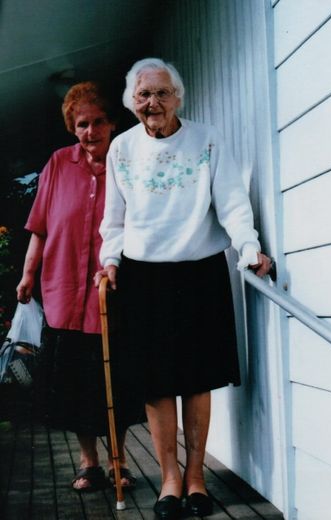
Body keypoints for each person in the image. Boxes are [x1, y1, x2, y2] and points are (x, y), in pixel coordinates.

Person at [97, 58, 271, 519]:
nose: (152, 103)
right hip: (142, 274)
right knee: (156, 385)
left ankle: (196, 478)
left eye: (161, 93)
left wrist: (249, 249)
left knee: (196, 380)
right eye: (143, 95)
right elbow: (113, 219)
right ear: (131, 102)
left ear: (178, 96)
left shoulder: (206, 139)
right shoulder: (121, 148)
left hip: (198, 270)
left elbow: (232, 202)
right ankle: (169, 479)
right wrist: (110, 261)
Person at [16, 81, 139, 492]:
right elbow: (40, 227)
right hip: (64, 293)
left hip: (113, 293)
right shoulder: (57, 164)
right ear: (72, 128)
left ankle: (117, 461)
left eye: (98, 121)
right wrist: (28, 274)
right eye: (82, 124)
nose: (91, 131)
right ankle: (89, 464)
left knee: (113, 382)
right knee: (72, 385)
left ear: (112, 122)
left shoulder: (128, 162)